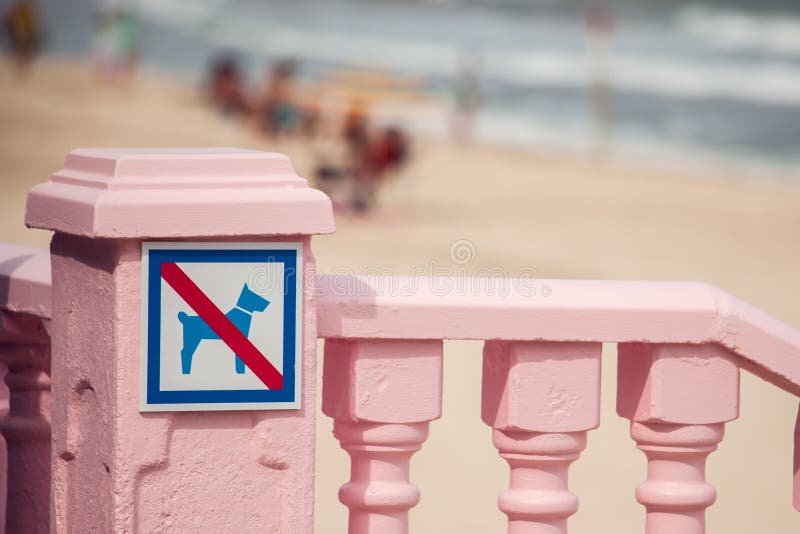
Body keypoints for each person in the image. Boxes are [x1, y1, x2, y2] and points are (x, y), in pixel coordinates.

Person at [3, 0, 42, 73]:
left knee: (23, 47)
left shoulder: (26, 12)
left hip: (23, 35)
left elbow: (31, 25)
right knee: (21, 47)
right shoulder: (20, 11)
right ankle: (20, 64)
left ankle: (21, 64)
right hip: (20, 35)